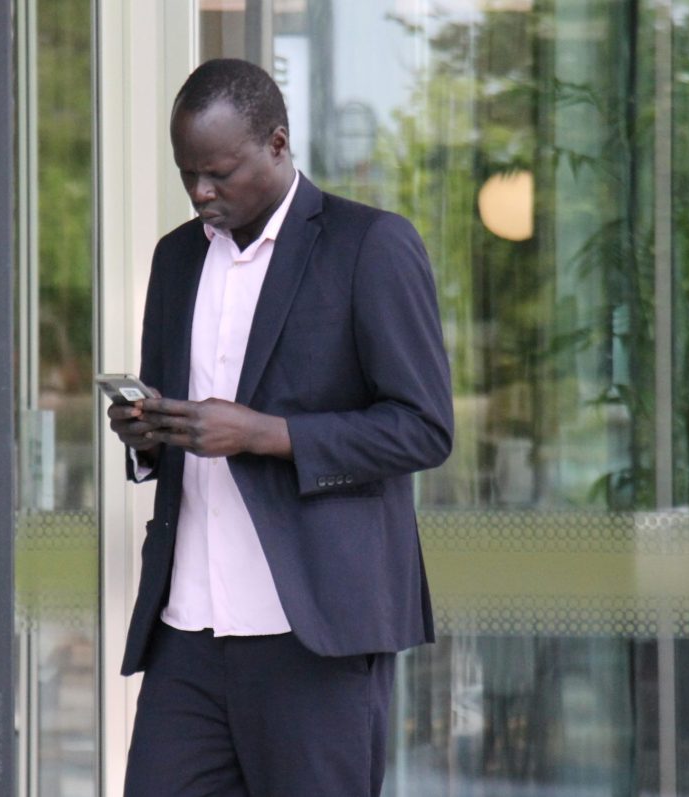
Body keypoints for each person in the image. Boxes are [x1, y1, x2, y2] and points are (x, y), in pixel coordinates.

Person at [107, 58, 453, 796]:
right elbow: (177, 416)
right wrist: (148, 435)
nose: (202, 191)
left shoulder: (371, 245)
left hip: (312, 633)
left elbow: (423, 427)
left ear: (277, 144)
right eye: (187, 172)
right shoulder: (175, 259)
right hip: (187, 630)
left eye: (220, 172)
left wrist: (266, 433)